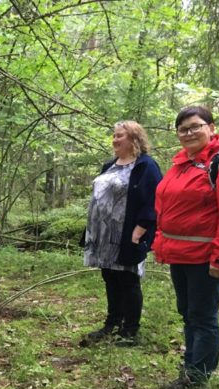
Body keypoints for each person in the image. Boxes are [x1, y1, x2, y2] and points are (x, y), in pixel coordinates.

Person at [153, 106, 219, 389]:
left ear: (211, 127)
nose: (189, 133)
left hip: (205, 256)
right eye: (183, 129)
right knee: (188, 313)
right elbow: (167, 208)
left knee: (202, 317)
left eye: (195, 126)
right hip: (180, 253)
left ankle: (197, 381)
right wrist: (160, 242)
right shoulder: (182, 163)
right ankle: (190, 369)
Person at [80, 121, 162, 347]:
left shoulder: (145, 165)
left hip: (127, 234)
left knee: (128, 279)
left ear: (134, 138)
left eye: (120, 136)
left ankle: (130, 331)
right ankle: (112, 323)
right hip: (102, 234)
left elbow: (154, 200)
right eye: (114, 136)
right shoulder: (109, 165)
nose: (115, 140)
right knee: (110, 277)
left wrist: (140, 229)